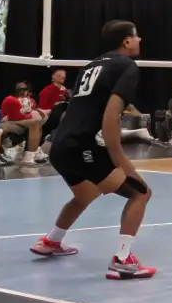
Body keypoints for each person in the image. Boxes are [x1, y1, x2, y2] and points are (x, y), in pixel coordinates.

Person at [31, 20, 156, 279]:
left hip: (62, 146)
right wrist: (121, 159)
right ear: (126, 41)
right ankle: (122, 260)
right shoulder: (127, 66)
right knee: (141, 193)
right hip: (82, 146)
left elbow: (75, 110)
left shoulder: (91, 66)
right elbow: (111, 116)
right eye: (136, 36)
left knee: (85, 195)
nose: (140, 40)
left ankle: (52, 241)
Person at [0, 81, 49, 164]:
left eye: (25, 89)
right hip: (8, 122)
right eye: (20, 89)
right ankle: (29, 156)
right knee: (34, 123)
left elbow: (32, 112)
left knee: (37, 125)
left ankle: (32, 153)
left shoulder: (30, 100)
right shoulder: (10, 99)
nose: (23, 91)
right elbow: (15, 116)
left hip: (21, 120)